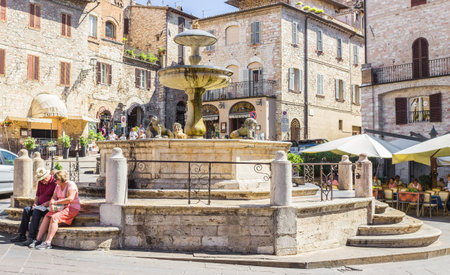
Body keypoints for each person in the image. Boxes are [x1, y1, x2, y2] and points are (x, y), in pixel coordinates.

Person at [34, 170, 81, 250]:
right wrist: (52, 203)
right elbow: (54, 197)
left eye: (56, 180)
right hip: (61, 207)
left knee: (54, 218)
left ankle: (47, 243)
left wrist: (56, 202)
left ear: (60, 179)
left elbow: (70, 199)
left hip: (71, 208)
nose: (54, 181)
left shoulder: (71, 185)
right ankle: (37, 240)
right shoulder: (58, 186)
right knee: (47, 216)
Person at [10, 168, 57, 246]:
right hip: (40, 206)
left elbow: (56, 197)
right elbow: (37, 195)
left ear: (47, 176)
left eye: (43, 179)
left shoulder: (55, 183)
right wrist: (35, 204)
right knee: (26, 210)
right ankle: (22, 235)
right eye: (41, 180)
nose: (42, 181)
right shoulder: (41, 182)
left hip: (48, 207)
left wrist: (47, 203)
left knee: (36, 212)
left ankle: (31, 238)